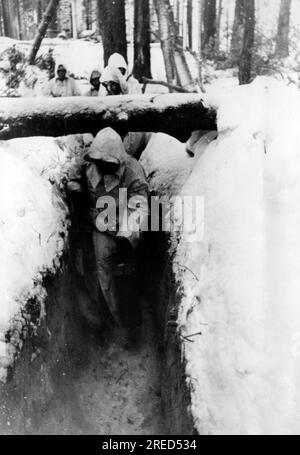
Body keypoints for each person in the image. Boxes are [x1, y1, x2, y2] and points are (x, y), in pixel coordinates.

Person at [67, 127, 148, 327]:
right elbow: (73, 176)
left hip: (124, 226)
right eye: (99, 163)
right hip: (99, 224)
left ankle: (130, 324)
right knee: (101, 269)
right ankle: (106, 317)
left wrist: (127, 239)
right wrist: (75, 187)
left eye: (107, 163)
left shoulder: (132, 170)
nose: (102, 167)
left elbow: (140, 208)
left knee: (125, 275)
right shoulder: (87, 161)